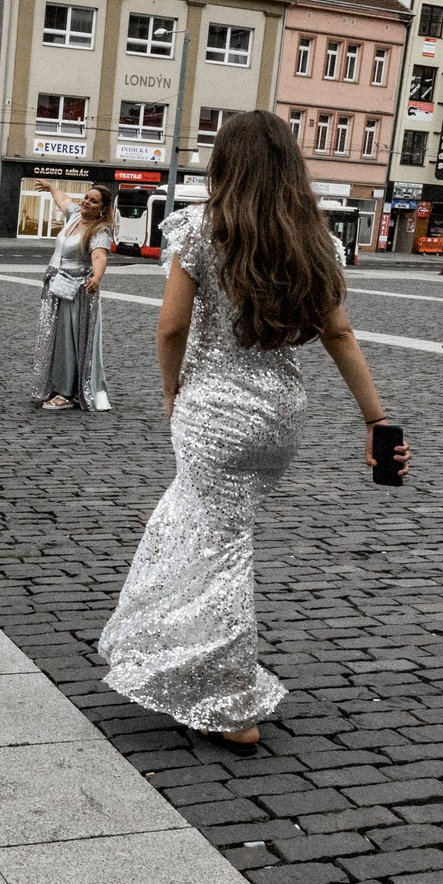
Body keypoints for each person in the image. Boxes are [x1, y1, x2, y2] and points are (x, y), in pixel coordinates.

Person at [99, 112, 405, 751]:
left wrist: (170, 389)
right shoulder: (310, 238)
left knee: (217, 546)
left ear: (224, 164)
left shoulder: (200, 227)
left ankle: (229, 700)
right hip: (277, 416)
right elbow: (339, 334)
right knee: (193, 531)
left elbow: (172, 329)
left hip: (214, 412)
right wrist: (374, 419)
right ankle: (180, 661)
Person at [35, 179, 116, 411]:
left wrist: (97, 278)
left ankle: (66, 393)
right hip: (57, 287)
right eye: (86, 198)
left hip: (77, 291)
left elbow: (100, 257)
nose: (86, 202)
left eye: (93, 201)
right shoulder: (74, 216)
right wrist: (51, 188)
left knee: (68, 340)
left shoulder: (100, 230)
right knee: (55, 337)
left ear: (102, 208)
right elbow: (64, 201)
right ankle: (58, 384)